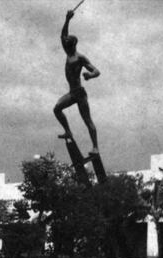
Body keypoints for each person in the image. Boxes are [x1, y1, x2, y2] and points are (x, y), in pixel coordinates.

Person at [53, 10, 101, 155]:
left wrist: (90, 75)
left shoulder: (80, 58)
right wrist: (67, 19)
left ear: (73, 44)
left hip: (80, 94)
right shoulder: (68, 53)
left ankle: (95, 147)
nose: (65, 45)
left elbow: (97, 71)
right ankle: (68, 131)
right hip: (72, 93)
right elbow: (62, 35)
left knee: (87, 120)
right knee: (57, 109)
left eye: (67, 43)